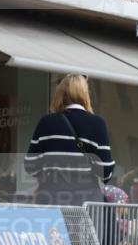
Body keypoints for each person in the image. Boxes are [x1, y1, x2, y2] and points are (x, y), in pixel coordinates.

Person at [25, 74, 114, 205]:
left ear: (60, 94)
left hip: (52, 201)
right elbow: (105, 172)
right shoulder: (97, 124)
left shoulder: (46, 122)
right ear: (85, 94)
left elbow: (30, 166)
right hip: (85, 204)